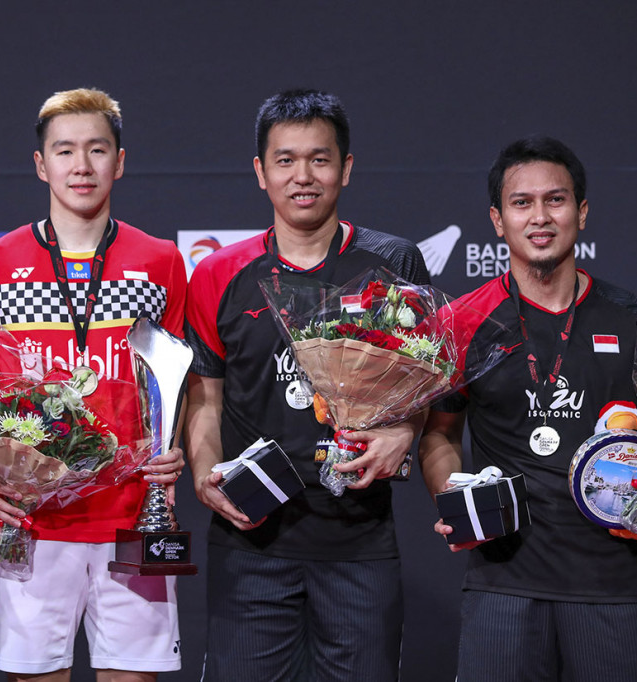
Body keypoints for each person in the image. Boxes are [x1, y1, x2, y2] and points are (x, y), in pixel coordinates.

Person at [418, 135, 637, 681]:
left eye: (555, 200)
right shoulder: (462, 322)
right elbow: (438, 434)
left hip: (615, 587)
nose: (539, 217)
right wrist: (457, 500)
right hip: (503, 586)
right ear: (498, 221)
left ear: (581, 212)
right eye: (522, 203)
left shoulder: (636, 319)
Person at [183, 89, 430, 681]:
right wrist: (203, 475)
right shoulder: (218, 273)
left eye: (320, 159)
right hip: (251, 540)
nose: (303, 176)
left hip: (359, 538)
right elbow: (205, 398)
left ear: (346, 167)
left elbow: (423, 386)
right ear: (260, 172)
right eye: (286, 160)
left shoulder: (394, 262)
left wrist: (405, 433)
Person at [0, 88, 187, 682]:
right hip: (30, 521)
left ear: (119, 162)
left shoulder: (160, 261)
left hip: (134, 516)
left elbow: (178, 381)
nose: (81, 166)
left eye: (96, 150)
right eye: (64, 151)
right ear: (41, 164)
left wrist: (173, 451)